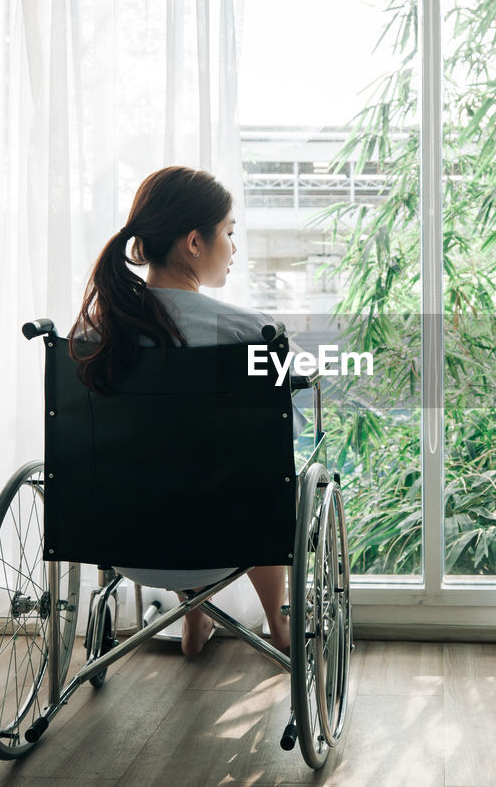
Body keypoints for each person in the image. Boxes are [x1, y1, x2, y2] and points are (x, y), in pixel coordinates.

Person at [68, 165, 295, 658]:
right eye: (229, 235)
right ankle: (278, 624)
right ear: (195, 242)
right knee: (259, 468)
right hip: (225, 540)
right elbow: (277, 442)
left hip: (121, 539)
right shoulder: (250, 333)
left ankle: (193, 614)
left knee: (158, 461)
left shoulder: (91, 340)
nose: (234, 249)